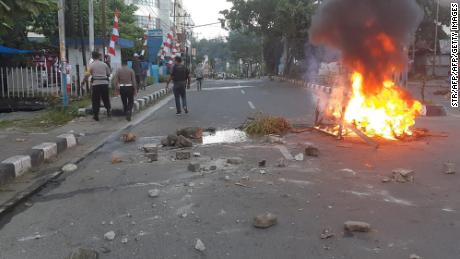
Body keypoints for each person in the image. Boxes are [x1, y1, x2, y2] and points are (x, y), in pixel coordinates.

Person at [85, 51, 111, 121]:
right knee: (105, 97)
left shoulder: (91, 65)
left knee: (95, 100)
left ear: (92, 57)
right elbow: (108, 74)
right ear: (99, 57)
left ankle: (96, 115)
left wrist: (83, 81)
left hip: (96, 84)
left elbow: (87, 74)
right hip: (104, 83)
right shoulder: (104, 64)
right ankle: (108, 110)